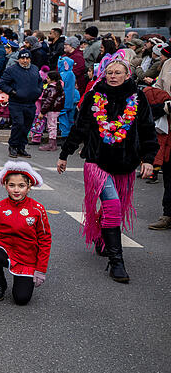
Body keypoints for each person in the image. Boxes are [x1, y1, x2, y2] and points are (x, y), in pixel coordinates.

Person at [58, 52, 158, 283]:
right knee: (112, 205)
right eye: (109, 72)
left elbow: (147, 130)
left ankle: (104, 236)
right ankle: (116, 263)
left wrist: (149, 159)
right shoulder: (94, 96)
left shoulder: (138, 97)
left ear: (127, 74)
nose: (113, 76)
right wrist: (64, 154)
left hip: (125, 164)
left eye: (118, 72)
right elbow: (80, 128)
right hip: (97, 161)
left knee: (114, 210)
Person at [0, 160, 51, 305]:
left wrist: (41, 269)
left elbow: (45, 240)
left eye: (21, 186)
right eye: (11, 185)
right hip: (4, 249)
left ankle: (21, 279)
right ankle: (0, 282)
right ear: (5, 186)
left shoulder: (38, 209)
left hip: (26, 256)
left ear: (29, 187)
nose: (16, 190)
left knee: (21, 299)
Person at [0, 49, 41, 158]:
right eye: (22, 58)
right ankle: (13, 146)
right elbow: (2, 84)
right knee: (18, 124)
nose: (25, 61)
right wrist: (12, 92)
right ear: (19, 59)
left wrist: (38, 91)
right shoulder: (11, 70)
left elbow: (39, 81)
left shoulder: (34, 69)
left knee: (26, 126)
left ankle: (21, 147)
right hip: (16, 102)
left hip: (30, 103)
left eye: (27, 58)